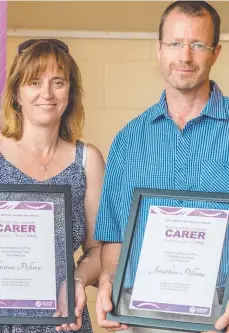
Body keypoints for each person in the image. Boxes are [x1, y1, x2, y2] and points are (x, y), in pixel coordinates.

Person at [94, 1, 229, 332]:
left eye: (197, 44)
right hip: (141, 317)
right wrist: (109, 279)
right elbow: (113, 237)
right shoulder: (128, 140)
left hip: (221, 316)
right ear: (158, 50)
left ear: (216, 52)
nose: (185, 56)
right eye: (174, 44)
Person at [0, 39, 104, 333]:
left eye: (57, 82)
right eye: (34, 82)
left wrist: (78, 282)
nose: (46, 93)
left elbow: (97, 249)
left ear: (70, 93)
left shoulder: (88, 160)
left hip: (65, 320)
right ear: (16, 94)